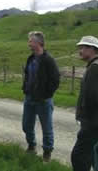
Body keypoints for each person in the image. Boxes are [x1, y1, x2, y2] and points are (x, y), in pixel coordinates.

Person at [71, 36, 98, 171]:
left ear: (92, 49)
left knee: (79, 157)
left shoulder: (95, 68)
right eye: (80, 47)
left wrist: (86, 122)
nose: (80, 50)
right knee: (93, 155)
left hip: (94, 122)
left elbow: (92, 99)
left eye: (83, 47)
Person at [22, 31, 60, 162]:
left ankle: (47, 153)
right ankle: (31, 146)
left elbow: (55, 80)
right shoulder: (31, 58)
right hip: (29, 98)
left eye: (30, 41)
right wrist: (26, 89)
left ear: (38, 43)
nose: (29, 44)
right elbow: (28, 76)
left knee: (47, 128)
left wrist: (46, 95)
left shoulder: (48, 60)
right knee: (26, 125)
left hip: (43, 100)